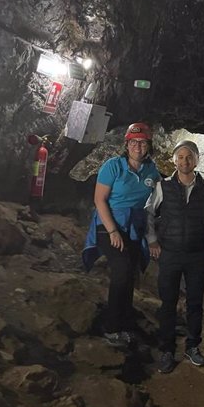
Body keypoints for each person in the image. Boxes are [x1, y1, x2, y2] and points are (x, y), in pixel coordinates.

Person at [84, 122, 161, 346]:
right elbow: (99, 199)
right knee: (122, 270)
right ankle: (111, 327)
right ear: (126, 145)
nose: (138, 146)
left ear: (148, 145)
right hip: (108, 225)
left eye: (142, 142)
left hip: (134, 228)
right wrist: (113, 231)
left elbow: (154, 204)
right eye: (133, 142)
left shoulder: (151, 171)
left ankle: (126, 323)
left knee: (130, 274)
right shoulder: (113, 166)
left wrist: (152, 236)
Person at [145, 140, 204, 374]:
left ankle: (193, 347)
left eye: (189, 157)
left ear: (196, 160)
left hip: (196, 254)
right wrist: (152, 240)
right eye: (180, 157)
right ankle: (167, 351)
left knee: (195, 303)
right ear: (174, 160)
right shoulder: (163, 187)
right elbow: (150, 213)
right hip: (170, 252)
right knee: (168, 303)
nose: (185, 161)